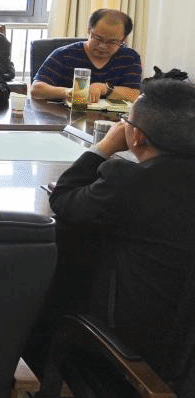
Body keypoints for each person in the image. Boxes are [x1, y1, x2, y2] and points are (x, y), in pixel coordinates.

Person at [42, 79, 195, 373]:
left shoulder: (130, 181)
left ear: (136, 136)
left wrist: (102, 148)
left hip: (135, 355)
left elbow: (63, 199)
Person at [30, 8, 143, 103]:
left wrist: (104, 88)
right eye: (98, 38)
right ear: (89, 30)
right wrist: (67, 92)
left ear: (123, 39)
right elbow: (36, 89)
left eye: (112, 42)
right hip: (65, 118)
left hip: (111, 120)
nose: (102, 46)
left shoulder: (130, 58)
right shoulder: (64, 55)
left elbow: (134, 95)